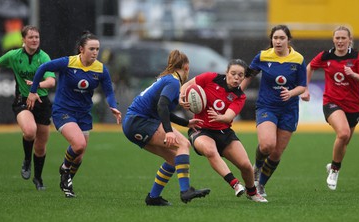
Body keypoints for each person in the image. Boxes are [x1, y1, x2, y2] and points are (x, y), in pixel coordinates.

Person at [26, 31, 122, 198]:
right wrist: (33, 91)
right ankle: (64, 170)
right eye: (91, 48)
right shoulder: (68, 63)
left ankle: (67, 182)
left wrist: (113, 106)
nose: (95, 52)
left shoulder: (100, 69)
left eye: (97, 49)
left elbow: (109, 91)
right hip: (63, 111)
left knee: (78, 157)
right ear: (81, 49)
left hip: (83, 114)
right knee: (78, 145)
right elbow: (42, 68)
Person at [122, 49, 210, 206]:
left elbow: (162, 109)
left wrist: (186, 123)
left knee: (172, 158)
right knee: (184, 144)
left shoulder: (167, 79)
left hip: (133, 123)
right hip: (140, 121)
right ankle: (186, 190)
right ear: (186, 67)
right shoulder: (173, 81)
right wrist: (169, 132)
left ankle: (153, 197)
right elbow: (162, 106)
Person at [180, 59, 267, 203]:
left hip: (223, 132)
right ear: (226, 73)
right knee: (210, 150)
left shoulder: (240, 96)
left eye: (240, 75)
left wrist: (220, 117)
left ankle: (252, 193)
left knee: (246, 166)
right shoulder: (210, 78)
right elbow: (187, 86)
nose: (236, 78)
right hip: (200, 129)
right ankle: (235, 184)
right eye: (233, 73)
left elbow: (228, 117)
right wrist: (181, 97)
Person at [300, 26, 359, 190]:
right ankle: (335, 170)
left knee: (344, 141)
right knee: (343, 133)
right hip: (331, 102)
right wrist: (305, 88)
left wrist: (353, 74)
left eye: (343, 38)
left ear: (349, 40)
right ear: (333, 40)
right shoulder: (326, 56)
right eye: (337, 38)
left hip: (353, 106)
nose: (340, 41)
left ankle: (333, 164)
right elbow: (309, 67)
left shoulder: (357, 57)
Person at [241, 25, 307, 197]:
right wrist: (236, 94)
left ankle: (261, 185)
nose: (278, 41)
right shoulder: (263, 56)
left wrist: (291, 92)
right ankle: (256, 167)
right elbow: (249, 75)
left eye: (281, 38)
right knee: (267, 145)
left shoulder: (298, 59)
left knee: (277, 152)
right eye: (275, 38)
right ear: (271, 40)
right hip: (267, 106)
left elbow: (302, 86)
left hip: (289, 110)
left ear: (288, 40)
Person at [0, 25, 56, 190]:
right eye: (31, 37)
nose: (35, 40)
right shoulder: (14, 56)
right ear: (23, 39)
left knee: (41, 144)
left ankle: (38, 179)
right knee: (30, 131)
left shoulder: (43, 57)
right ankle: (27, 161)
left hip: (41, 102)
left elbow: (51, 81)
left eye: (37, 37)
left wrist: (36, 86)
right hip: (23, 100)